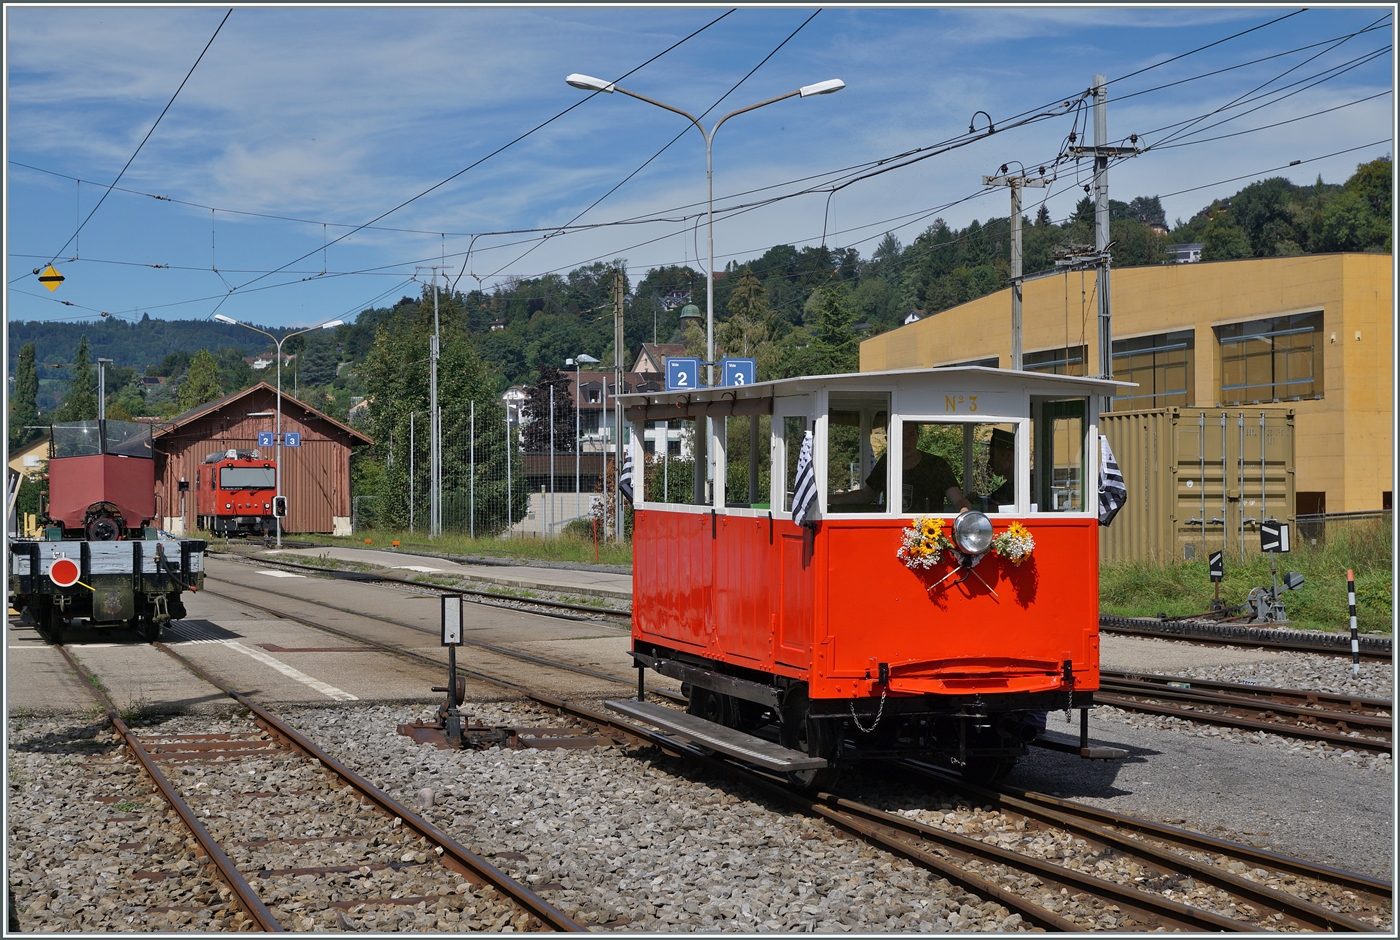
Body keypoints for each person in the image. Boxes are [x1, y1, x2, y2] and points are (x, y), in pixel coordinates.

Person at [830, 422, 969, 512]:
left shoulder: (936, 465)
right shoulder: (886, 463)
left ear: (918, 436)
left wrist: (966, 515)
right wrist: (828, 500)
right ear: (888, 439)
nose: (906, 441)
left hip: (929, 533)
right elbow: (865, 496)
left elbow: (957, 499)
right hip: (892, 530)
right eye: (900, 436)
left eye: (911, 435)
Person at [973, 428, 1016, 512]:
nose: (989, 462)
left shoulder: (1032, 488)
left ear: (1008, 456)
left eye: (993, 456)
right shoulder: (1005, 488)